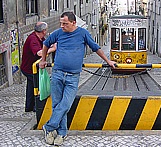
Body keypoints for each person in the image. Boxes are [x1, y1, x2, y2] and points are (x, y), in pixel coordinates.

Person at [39, 11, 116, 146]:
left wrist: (108, 61)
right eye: (61, 23)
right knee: (57, 104)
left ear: (73, 23)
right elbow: (46, 44)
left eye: (65, 23)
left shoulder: (82, 33)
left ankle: (49, 127)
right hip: (57, 73)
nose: (62, 26)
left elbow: (96, 48)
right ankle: (62, 133)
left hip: (73, 76)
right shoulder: (58, 33)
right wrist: (43, 60)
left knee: (66, 104)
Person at [20, 22, 56, 112]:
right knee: (38, 85)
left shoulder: (40, 37)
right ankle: (38, 107)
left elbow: (46, 44)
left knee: (31, 86)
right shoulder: (33, 39)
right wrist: (53, 49)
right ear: (43, 31)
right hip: (29, 68)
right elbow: (40, 53)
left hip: (31, 67)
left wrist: (51, 44)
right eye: (46, 30)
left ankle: (29, 107)